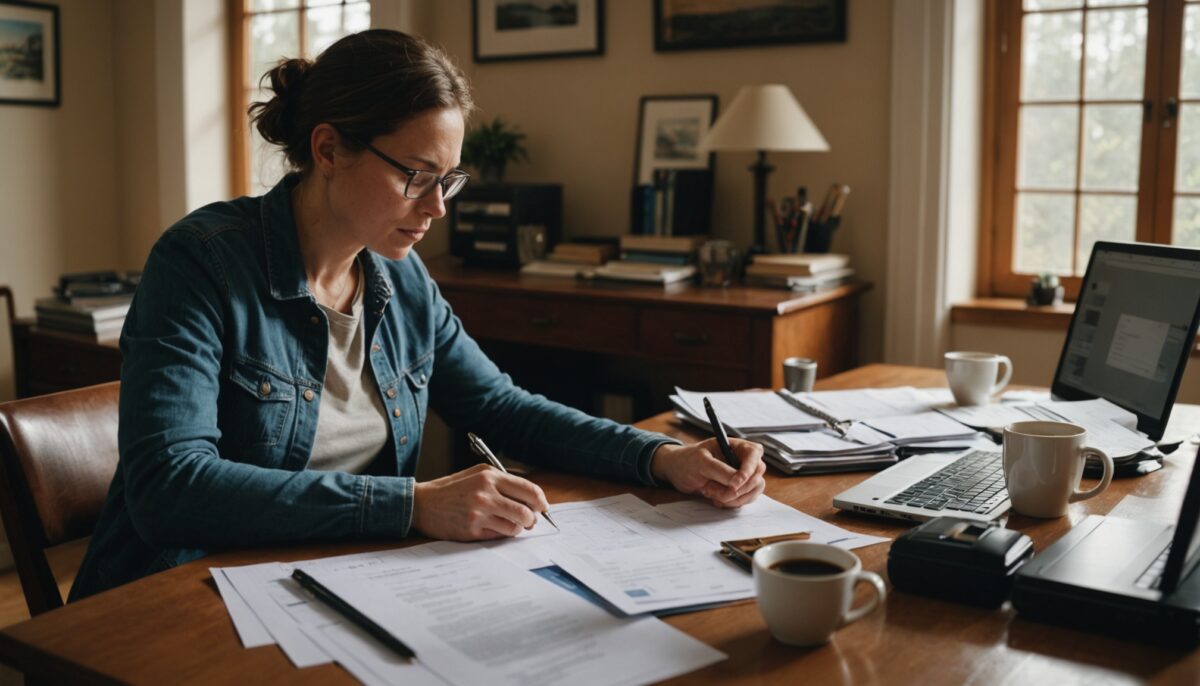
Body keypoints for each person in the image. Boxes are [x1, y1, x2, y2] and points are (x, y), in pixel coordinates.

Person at [69, 29, 764, 601]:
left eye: (449, 179)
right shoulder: (201, 264)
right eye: (416, 176)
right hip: (179, 594)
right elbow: (170, 489)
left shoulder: (398, 275)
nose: (437, 208)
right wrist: (413, 504)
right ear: (328, 149)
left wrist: (661, 458)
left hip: (342, 580)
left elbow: (501, 407)